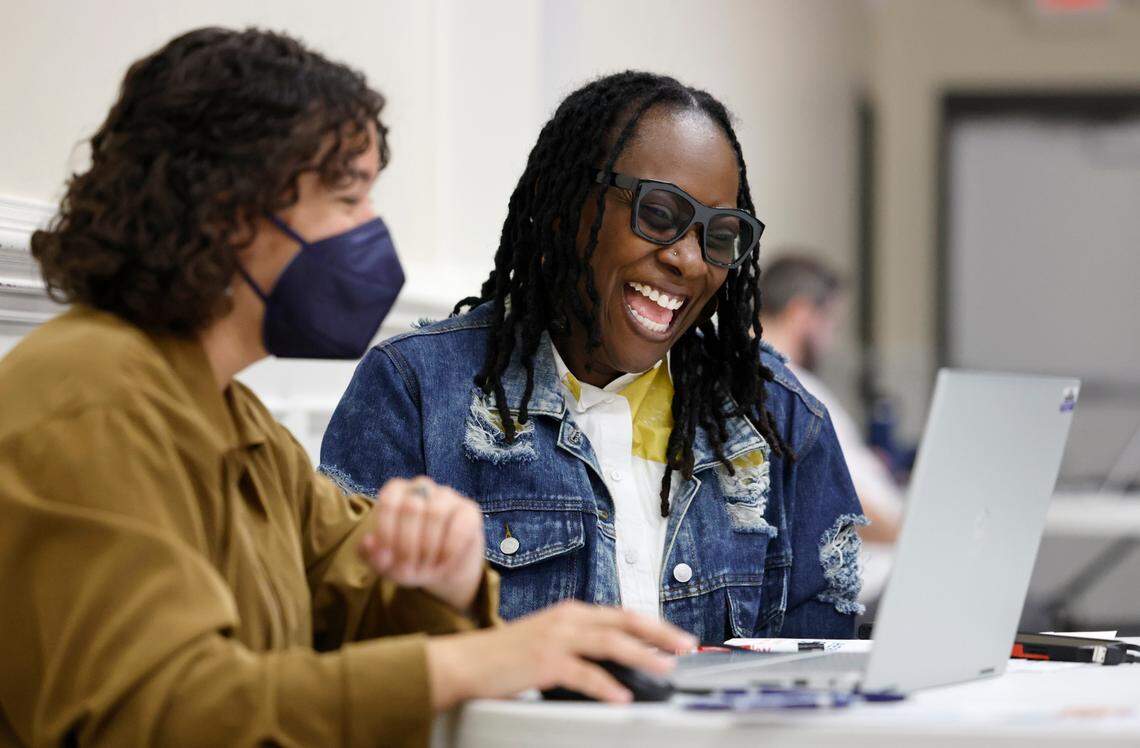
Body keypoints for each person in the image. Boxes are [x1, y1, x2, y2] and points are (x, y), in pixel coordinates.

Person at [0, 29, 695, 747]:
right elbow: (160, 715)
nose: (372, 230)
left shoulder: (229, 415)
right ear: (230, 211)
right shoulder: (90, 402)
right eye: (347, 197)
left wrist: (446, 578)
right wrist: (470, 659)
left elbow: (351, 601)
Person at [319, 72, 868, 643]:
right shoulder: (416, 392)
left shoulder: (781, 422)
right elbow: (346, 646)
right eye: (658, 213)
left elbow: (821, 678)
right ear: (565, 209)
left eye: (720, 235)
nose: (690, 261)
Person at [758, 253, 904, 601]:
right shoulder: (781, 388)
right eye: (831, 326)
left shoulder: (792, 383)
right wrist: (911, 531)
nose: (831, 342)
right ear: (802, 313)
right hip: (861, 590)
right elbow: (828, 499)